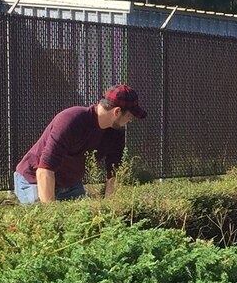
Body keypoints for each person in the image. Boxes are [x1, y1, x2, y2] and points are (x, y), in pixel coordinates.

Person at [14, 84, 147, 204]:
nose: (130, 120)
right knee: (46, 221)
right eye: (129, 116)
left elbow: (114, 174)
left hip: (70, 185)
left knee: (85, 221)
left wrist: (109, 208)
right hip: (34, 179)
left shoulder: (116, 133)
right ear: (117, 112)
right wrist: (50, 213)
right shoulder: (71, 119)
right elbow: (45, 169)